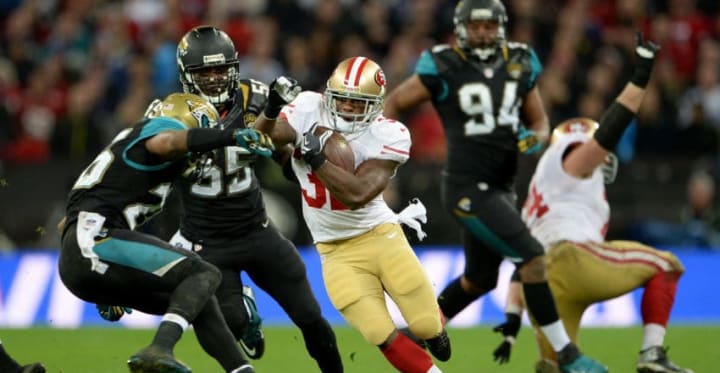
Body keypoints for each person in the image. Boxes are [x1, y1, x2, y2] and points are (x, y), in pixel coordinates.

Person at [383, 0, 606, 373]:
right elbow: (395, 103)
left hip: (502, 186)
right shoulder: (445, 65)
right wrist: (383, 158)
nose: (484, 34)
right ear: (461, 30)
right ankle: (567, 355)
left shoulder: (518, 62)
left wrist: (534, 137)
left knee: (480, 279)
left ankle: (412, 337)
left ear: (501, 28)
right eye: (476, 26)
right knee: (533, 257)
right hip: (467, 187)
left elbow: (539, 122)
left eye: (489, 26)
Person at [493, 34, 693, 373]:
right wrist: (640, 78)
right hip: (572, 259)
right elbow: (611, 131)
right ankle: (651, 353)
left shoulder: (541, 191)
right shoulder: (569, 157)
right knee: (666, 265)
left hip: (539, 284)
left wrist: (513, 319)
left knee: (557, 367)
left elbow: (519, 266)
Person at [256, 56, 450, 373]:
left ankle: (435, 330)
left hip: (379, 236)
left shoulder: (390, 134)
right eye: (342, 99)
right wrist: (271, 108)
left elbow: (357, 195)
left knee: (426, 325)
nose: (346, 108)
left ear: (375, 105)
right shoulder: (309, 107)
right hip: (334, 249)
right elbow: (264, 136)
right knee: (377, 331)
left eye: (356, 102)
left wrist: (315, 156)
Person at [168, 25, 344, 372]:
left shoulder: (256, 96)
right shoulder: (171, 113)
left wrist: (301, 165)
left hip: (256, 230)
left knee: (311, 317)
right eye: (205, 71)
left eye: (221, 69)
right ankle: (246, 316)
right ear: (188, 76)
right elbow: (151, 170)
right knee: (233, 323)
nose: (216, 79)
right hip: (207, 243)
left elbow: (280, 149)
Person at [57, 92, 274, 373]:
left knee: (197, 296)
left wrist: (103, 284)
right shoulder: (160, 127)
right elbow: (168, 142)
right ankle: (159, 348)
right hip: (96, 241)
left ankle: (241, 370)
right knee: (204, 273)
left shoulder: (131, 152)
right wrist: (229, 137)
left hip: (83, 253)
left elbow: (66, 225)